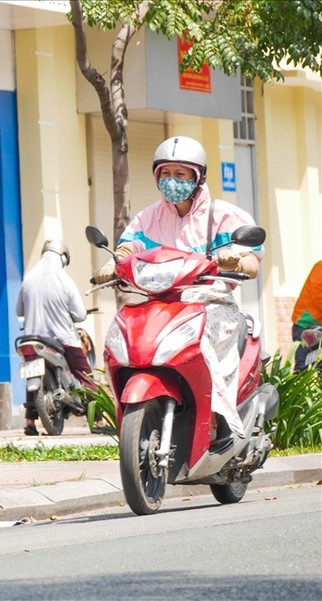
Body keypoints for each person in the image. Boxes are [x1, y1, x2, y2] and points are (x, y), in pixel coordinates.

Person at [94, 135, 263, 447]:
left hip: (211, 302)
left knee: (207, 338)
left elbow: (253, 260)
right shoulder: (148, 217)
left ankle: (222, 418)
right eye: (166, 174)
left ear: (197, 178)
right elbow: (128, 246)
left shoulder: (224, 216)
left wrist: (237, 259)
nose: (172, 181)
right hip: (160, 302)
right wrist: (114, 263)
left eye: (181, 175)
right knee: (127, 330)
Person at [16, 239, 97, 436]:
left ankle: (29, 421)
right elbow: (78, 314)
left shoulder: (28, 278)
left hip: (31, 337)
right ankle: (98, 417)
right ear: (63, 257)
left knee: (31, 371)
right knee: (86, 375)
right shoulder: (64, 279)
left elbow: (19, 310)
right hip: (62, 338)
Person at [291, 261, 322, 371]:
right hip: (305, 323)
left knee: (320, 366)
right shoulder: (320, 267)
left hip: (317, 325)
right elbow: (318, 295)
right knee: (301, 367)